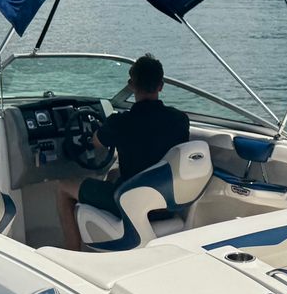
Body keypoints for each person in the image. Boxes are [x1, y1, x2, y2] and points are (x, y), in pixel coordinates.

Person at [55, 54, 189, 251]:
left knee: (63, 187)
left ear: (131, 85)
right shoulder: (180, 120)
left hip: (129, 202)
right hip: (165, 203)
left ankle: (72, 252)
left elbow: (95, 143)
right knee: (113, 173)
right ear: (161, 86)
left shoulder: (120, 123)